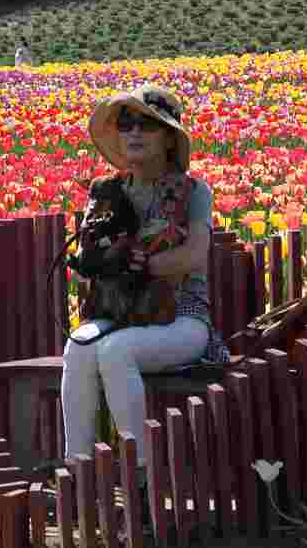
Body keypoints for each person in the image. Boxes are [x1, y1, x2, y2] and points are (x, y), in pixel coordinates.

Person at [62, 84, 216, 478]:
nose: (133, 132)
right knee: (77, 348)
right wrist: (101, 260)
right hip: (121, 310)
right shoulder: (106, 194)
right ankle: (77, 470)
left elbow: (194, 255)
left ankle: (141, 475)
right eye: (126, 124)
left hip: (182, 317)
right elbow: (89, 258)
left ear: (168, 137)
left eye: (146, 124)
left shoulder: (193, 192)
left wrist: (142, 265)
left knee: (114, 351)